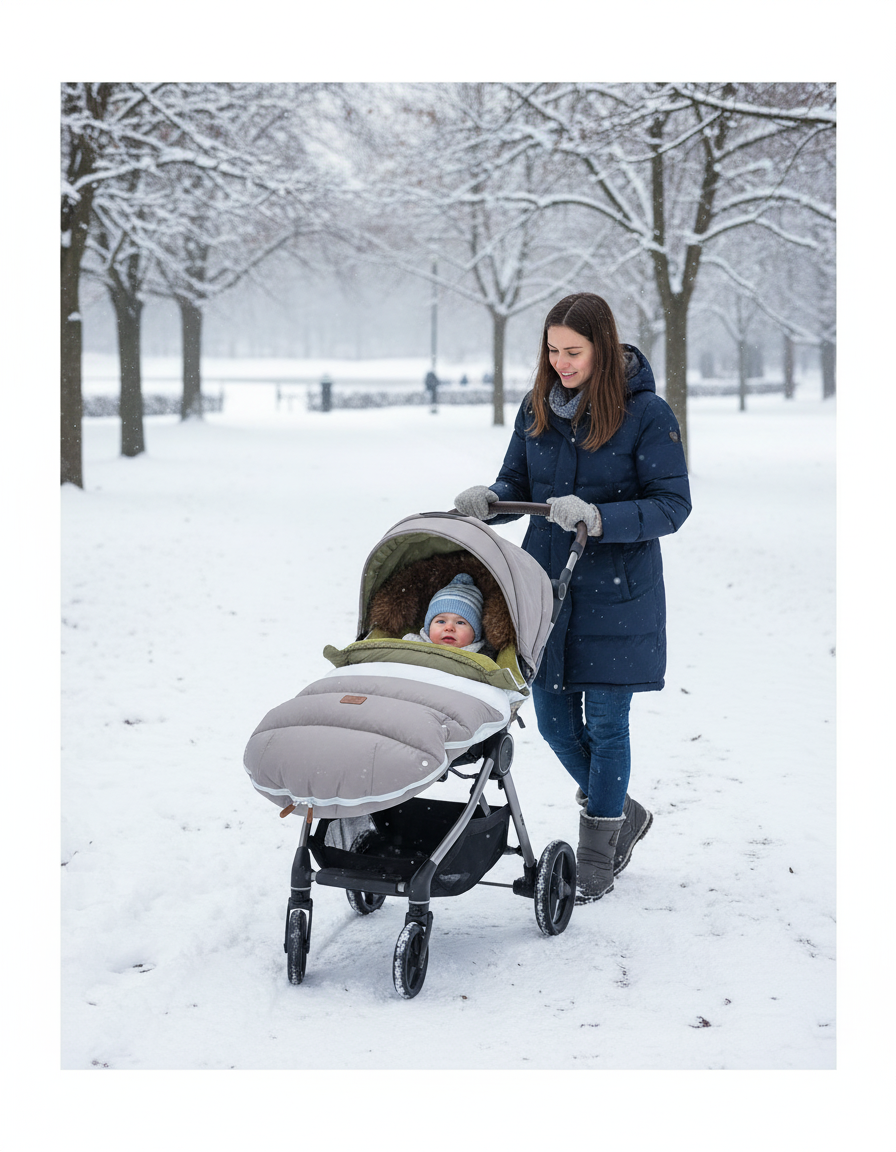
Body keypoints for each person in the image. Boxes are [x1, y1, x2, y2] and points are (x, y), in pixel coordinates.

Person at [453, 292, 691, 903]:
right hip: (547, 590)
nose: (560, 362)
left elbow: (672, 505)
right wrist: (492, 500)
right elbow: (518, 482)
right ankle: (624, 814)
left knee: (608, 726)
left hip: (619, 595)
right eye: (553, 350)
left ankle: (597, 851)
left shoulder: (647, 414)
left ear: (602, 348)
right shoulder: (537, 407)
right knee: (555, 724)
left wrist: (600, 517)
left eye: (573, 352)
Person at [402, 573, 488, 654]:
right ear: (428, 628)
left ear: (475, 633)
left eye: (460, 622)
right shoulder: (412, 646)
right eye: (441, 621)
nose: (449, 628)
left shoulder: (483, 657)